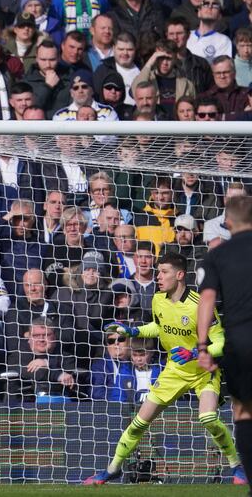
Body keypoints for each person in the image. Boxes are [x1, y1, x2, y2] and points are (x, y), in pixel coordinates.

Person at [85, 252, 246, 485]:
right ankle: (112, 469)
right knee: (139, 422)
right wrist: (133, 331)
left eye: (163, 272)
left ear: (179, 275)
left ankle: (236, 467)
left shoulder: (200, 305)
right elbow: (158, 327)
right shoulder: (158, 299)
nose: (158, 276)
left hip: (203, 371)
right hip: (173, 372)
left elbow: (221, 342)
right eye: (158, 271)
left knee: (209, 418)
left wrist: (196, 352)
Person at [197, 196, 252, 491]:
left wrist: (202, 346)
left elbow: (206, 300)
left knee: (243, 411)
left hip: (241, 341)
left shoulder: (217, 255)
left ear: (227, 223)